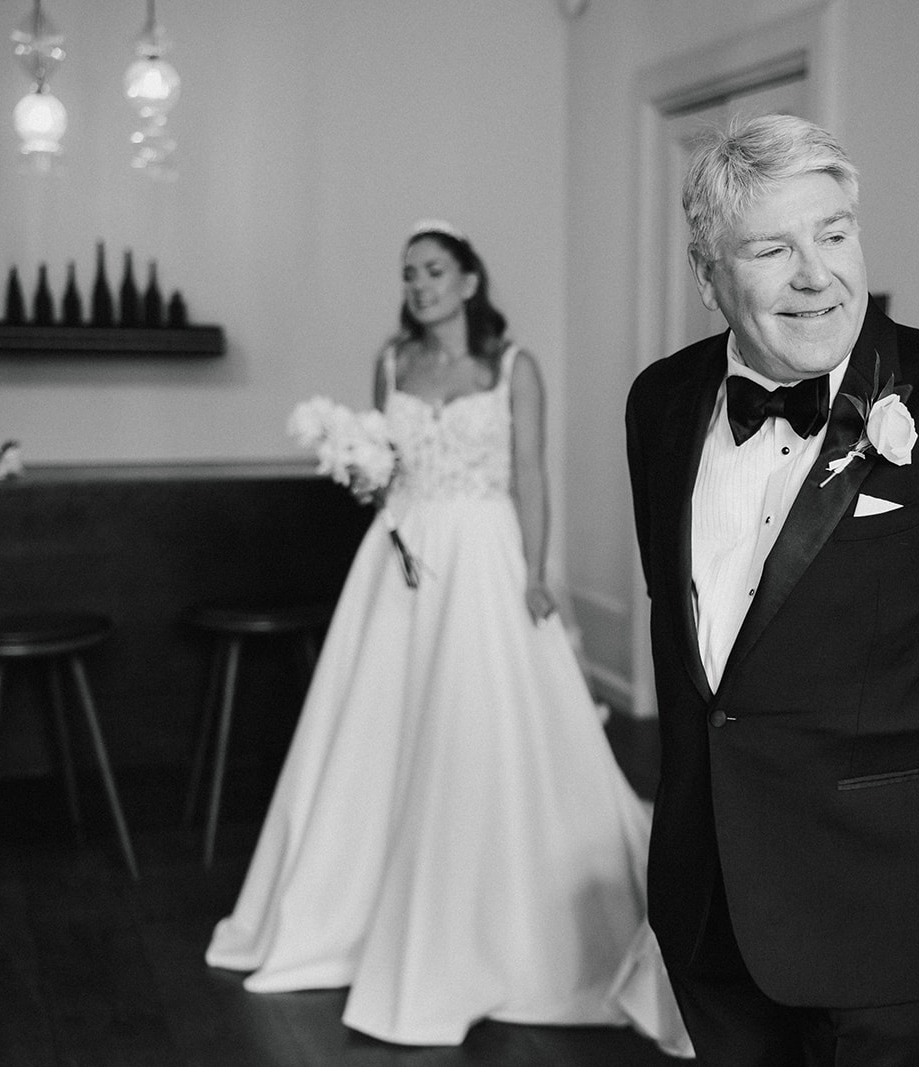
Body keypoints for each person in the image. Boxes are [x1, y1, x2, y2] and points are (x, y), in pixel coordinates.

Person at [624, 114, 919, 1065]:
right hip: (706, 889)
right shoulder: (659, 402)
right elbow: (687, 631)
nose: (816, 274)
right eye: (771, 248)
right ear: (708, 275)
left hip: (887, 896)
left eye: (834, 234)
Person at [207, 220, 691, 1057]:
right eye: (408, 273)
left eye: (433, 271)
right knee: (378, 729)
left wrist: (537, 571)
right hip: (398, 558)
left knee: (480, 723)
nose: (419, 285)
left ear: (470, 280)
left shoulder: (513, 367)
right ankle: (353, 898)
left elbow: (531, 473)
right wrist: (362, 471)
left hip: (485, 556)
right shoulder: (392, 362)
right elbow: (386, 468)